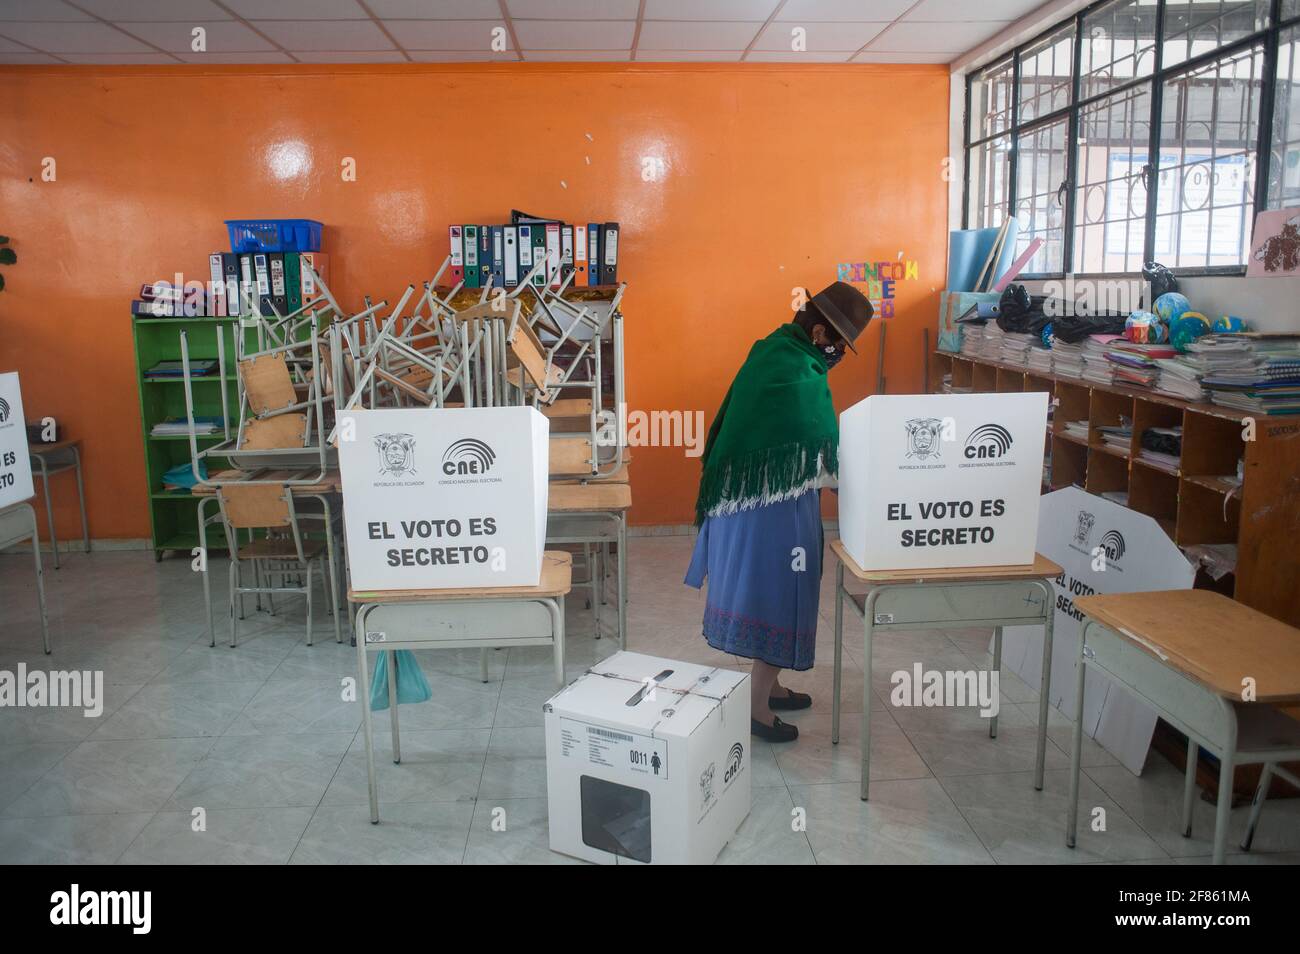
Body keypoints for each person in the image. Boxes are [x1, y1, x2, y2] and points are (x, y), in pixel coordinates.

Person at [685, 281, 873, 742]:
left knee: (770, 592)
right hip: (770, 509)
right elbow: (813, 439)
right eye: (836, 343)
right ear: (817, 331)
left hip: (753, 503)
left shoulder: (775, 350)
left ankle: (771, 686)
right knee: (780, 594)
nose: (837, 354)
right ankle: (755, 710)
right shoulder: (795, 367)